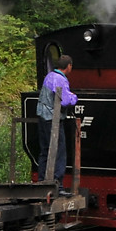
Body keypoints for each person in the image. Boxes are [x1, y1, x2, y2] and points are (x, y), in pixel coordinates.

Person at [37, 55, 79, 196]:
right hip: (52, 119)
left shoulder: (49, 76)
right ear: (69, 66)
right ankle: (58, 185)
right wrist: (74, 97)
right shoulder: (60, 79)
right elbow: (65, 101)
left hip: (42, 117)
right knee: (59, 152)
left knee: (45, 150)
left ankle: (42, 181)